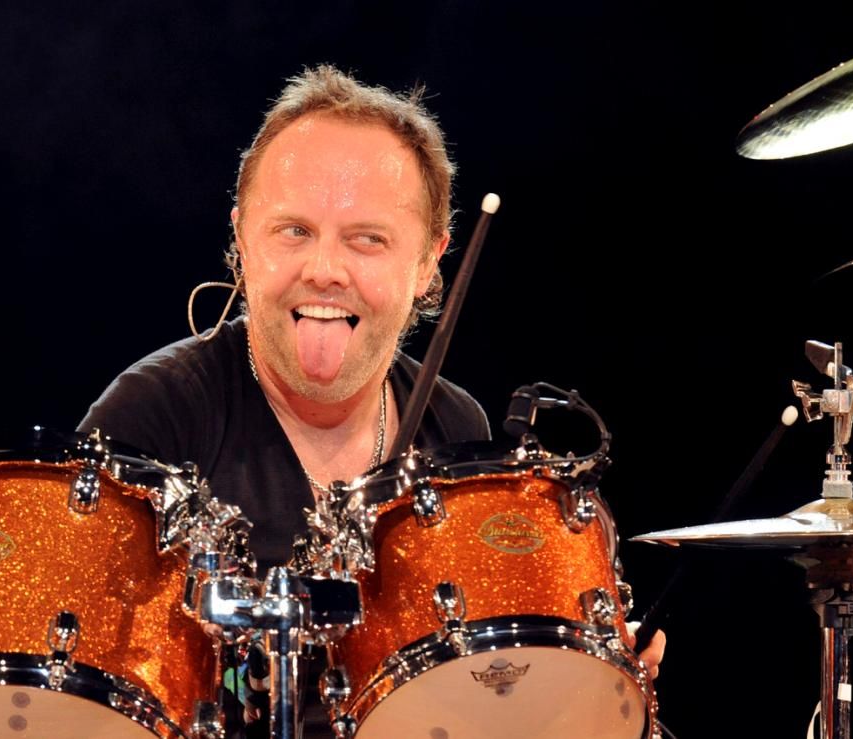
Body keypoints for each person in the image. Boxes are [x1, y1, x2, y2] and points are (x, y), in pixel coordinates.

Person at [79, 65, 665, 737]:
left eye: (367, 239)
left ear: (428, 262)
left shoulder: (453, 426)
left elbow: (475, 698)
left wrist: (575, 672)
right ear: (242, 241)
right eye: (293, 230)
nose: (324, 269)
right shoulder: (153, 418)